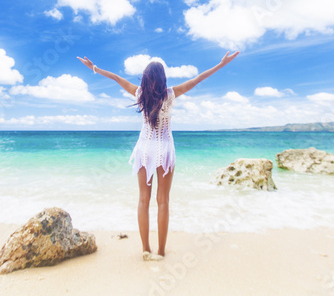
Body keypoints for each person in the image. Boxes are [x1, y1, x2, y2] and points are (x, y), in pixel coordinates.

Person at [77, 51, 239, 261]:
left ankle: (145, 249)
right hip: (164, 149)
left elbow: (117, 78)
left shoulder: (139, 94)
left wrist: (95, 68)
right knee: (163, 201)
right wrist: (221, 64)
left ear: (145, 77)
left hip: (144, 149)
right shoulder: (170, 94)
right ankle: (161, 252)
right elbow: (197, 79)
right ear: (163, 78)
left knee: (143, 200)